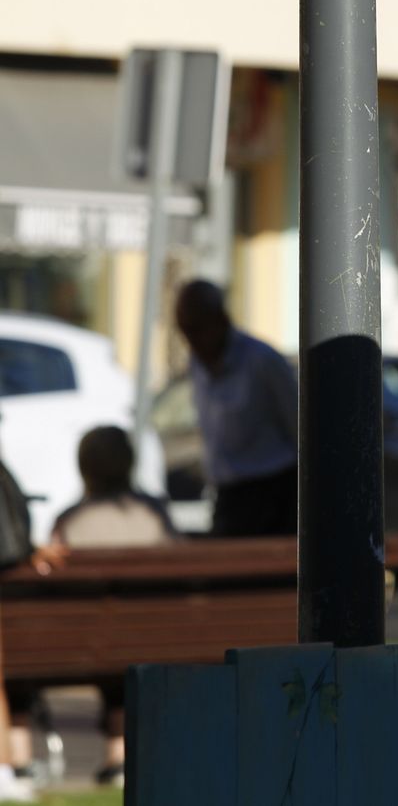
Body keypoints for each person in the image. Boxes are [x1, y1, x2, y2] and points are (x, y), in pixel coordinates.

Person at [5, 427, 177, 790]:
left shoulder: (71, 520)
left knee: (19, 664)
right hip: (152, 635)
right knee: (125, 650)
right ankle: (121, 755)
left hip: (78, 646)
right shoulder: (154, 514)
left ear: (84, 468)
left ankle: (17, 761)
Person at [174, 280, 297, 537]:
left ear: (220, 319)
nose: (191, 340)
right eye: (185, 330)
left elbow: (299, 426)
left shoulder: (262, 360)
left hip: (275, 493)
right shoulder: (198, 364)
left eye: (196, 329)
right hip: (229, 495)